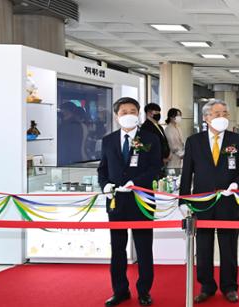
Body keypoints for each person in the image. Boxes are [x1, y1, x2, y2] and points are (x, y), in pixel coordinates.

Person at [179, 100, 239, 304]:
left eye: (225, 113)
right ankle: (207, 286)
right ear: (206, 118)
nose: (222, 117)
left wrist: (237, 184)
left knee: (228, 246)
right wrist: (184, 199)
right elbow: (187, 173)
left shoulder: (237, 140)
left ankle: (229, 287)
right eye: (217, 113)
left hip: (228, 201)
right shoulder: (194, 141)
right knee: (203, 246)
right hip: (202, 202)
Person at [97, 97, 162, 306]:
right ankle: (120, 290)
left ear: (139, 114)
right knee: (117, 248)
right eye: (123, 111)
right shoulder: (108, 140)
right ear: (116, 117)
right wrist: (105, 184)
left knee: (144, 248)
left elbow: (156, 170)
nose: (128, 114)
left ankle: (144, 291)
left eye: (133, 111)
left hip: (142, 200)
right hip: (116, 202)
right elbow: (102, 169)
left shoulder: (150, 138)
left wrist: (136, 182)